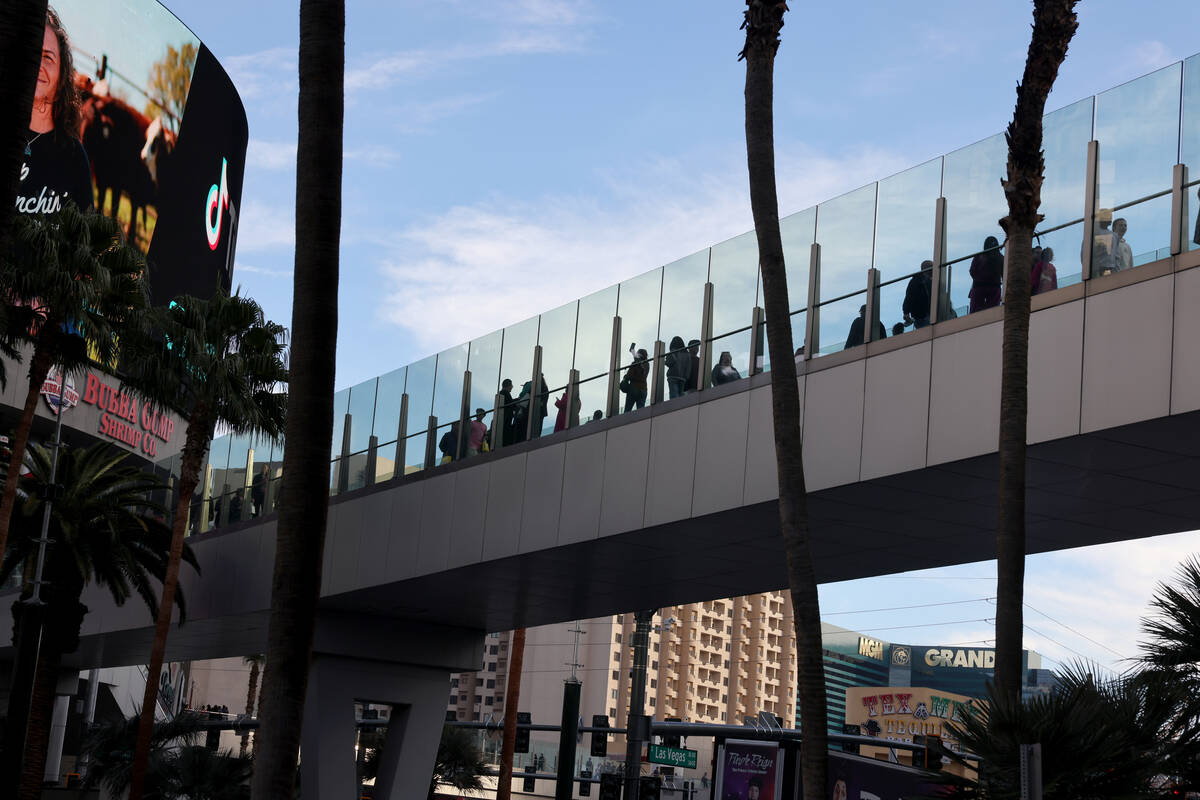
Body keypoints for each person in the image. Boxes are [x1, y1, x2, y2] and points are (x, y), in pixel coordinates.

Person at [17, 9, 93, 216]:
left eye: (48, 57)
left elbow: (85, 237)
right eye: (31, 52)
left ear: (62, 75)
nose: (38, 65)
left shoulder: (74, 158)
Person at [968, 236, 1003, 312]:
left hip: (980, 287)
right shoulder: (1000, 258)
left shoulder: (979, 256)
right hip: (992, 287)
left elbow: (972, 271)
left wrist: (978, 279)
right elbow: (1004, 275)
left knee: (975, 314)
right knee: (993, 313)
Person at [902, 259, 934, 328]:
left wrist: (906, 312)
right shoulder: (918, 281)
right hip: (923, 315)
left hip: (923, 315)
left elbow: (909, 296)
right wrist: (906, 312)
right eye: (932, 267)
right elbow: (909, 297)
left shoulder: (926, 281)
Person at [1086, 208, 1116, 277]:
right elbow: (1085, 255)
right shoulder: (1093, 235)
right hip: (1097, 270)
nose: (1110, 218)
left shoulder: (1114, 236)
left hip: (1111, 270)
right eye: (1107, 216)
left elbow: (1116, 256)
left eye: (1110, 216)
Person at [499, 378, 517, 446]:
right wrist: (518, 400)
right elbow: (510, 403)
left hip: (504, 417)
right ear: (508, 385)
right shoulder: (505, 392)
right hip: (506, 417)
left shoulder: (502, 392)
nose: (512, 387)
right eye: (511, 385)